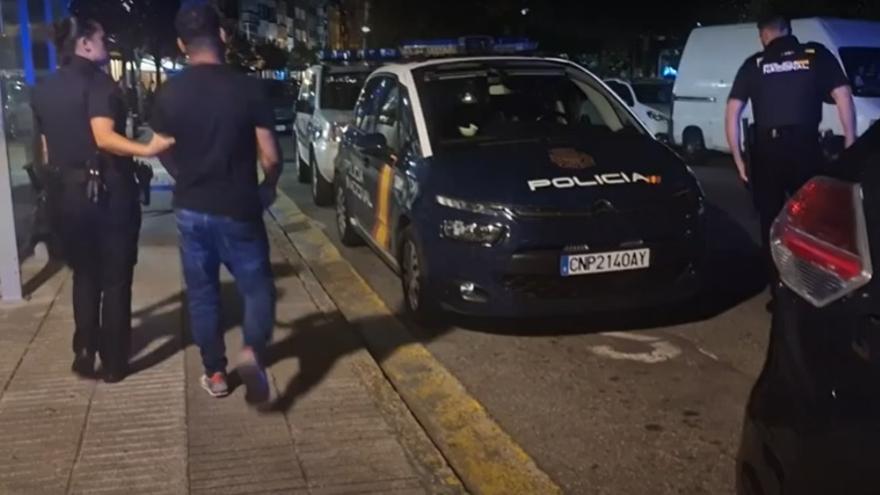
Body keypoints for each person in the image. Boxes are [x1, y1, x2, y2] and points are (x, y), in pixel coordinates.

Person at [31, 16, 175, 382]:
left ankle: (84, 350)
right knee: (115, 279)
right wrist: (147, 148)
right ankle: (113, 362)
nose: (106, 43)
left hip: (65, 195)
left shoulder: (43, 89)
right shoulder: (99, 84)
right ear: (85, 44)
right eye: (100, 38)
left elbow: (46, 150)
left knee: (84, 274)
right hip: (107, 193)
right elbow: (104, 136)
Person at [151, 1, 281, 404]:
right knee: (257, 288)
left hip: (191, 208)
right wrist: (269, 186)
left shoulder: (168, 92)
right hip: (239, 205)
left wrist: (182, 176)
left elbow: (161, 148)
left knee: (203, 294)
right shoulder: (248, 88)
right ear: (223, 35)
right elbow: (270, 155)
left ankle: (216, 372)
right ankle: (252, 349)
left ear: (180, 44)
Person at [724, 14, 857, 307]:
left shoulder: (755, 64)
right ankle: (814, 289)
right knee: (811, 222)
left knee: (772, 224)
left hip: (767, 155)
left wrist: (739, 159)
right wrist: (850, 145)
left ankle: (779, 292)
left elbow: (732, 112)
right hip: (806, 149)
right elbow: (844, 95)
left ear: (763, 35)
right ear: (788, 31)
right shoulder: (815, 55)